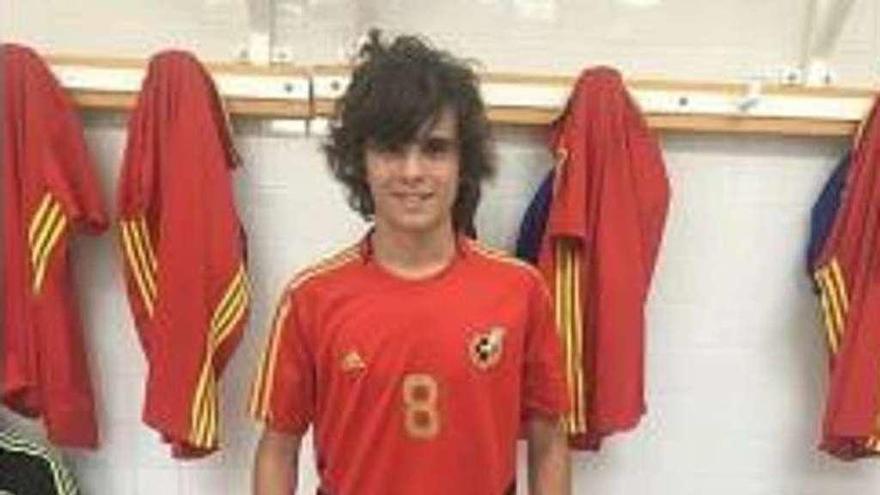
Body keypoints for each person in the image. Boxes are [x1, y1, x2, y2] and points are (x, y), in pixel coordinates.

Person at [250, 30, 571, 495]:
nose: (412, 172)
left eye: (435, 148)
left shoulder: (521, 291)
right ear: (360, 161)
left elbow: (549, 442)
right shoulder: (310, 299)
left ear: (464, 162)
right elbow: (278, 449)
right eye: (391, 149)